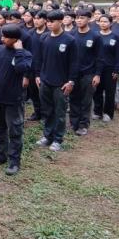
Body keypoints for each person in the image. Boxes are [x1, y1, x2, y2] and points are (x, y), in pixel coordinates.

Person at [0, 24, 32, 175]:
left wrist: (19, 51)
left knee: (15, 131)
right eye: (2, 35)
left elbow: (21, 69)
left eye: (5, 37)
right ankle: (1, 155)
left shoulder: (25, 54)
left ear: (15, 39)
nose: (2, 38)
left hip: (13, 100)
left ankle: (14, 162)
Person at [34, 11, 79, 152]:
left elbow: (74, 63)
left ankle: (58, 139)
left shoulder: (69, 40)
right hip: (45, 81)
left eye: (52, 21)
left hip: (61, 83)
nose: (49, 24)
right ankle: (47, 135)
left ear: (60, 21)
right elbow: (39, 58)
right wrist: (38, 75)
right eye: (48, 21)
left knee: (60, 112)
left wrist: (71, 81)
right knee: (47, 110)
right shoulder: (44, 38)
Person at [70, 11, 100, 136]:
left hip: (88, 73)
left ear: (89, 19)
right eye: (77, 18)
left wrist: (97, 74)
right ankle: (74, 122)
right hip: (73, 73)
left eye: (82, 18)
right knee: (73, 98)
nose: (79, 20)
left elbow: (99, 57)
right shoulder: (71, 34)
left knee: (86, 100)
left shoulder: (95, 36)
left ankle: (83, 125)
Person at [93, 15, 119, 122]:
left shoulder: (116, 36)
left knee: (110, 91)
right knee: (97, 91)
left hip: (110, 68)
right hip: (97, 68)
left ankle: (108, 113)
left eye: (105, 21)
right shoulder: (95, 35)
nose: (103, 23)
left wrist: (117, 69)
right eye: (101, 21)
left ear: (110, 23)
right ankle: (97, 112)